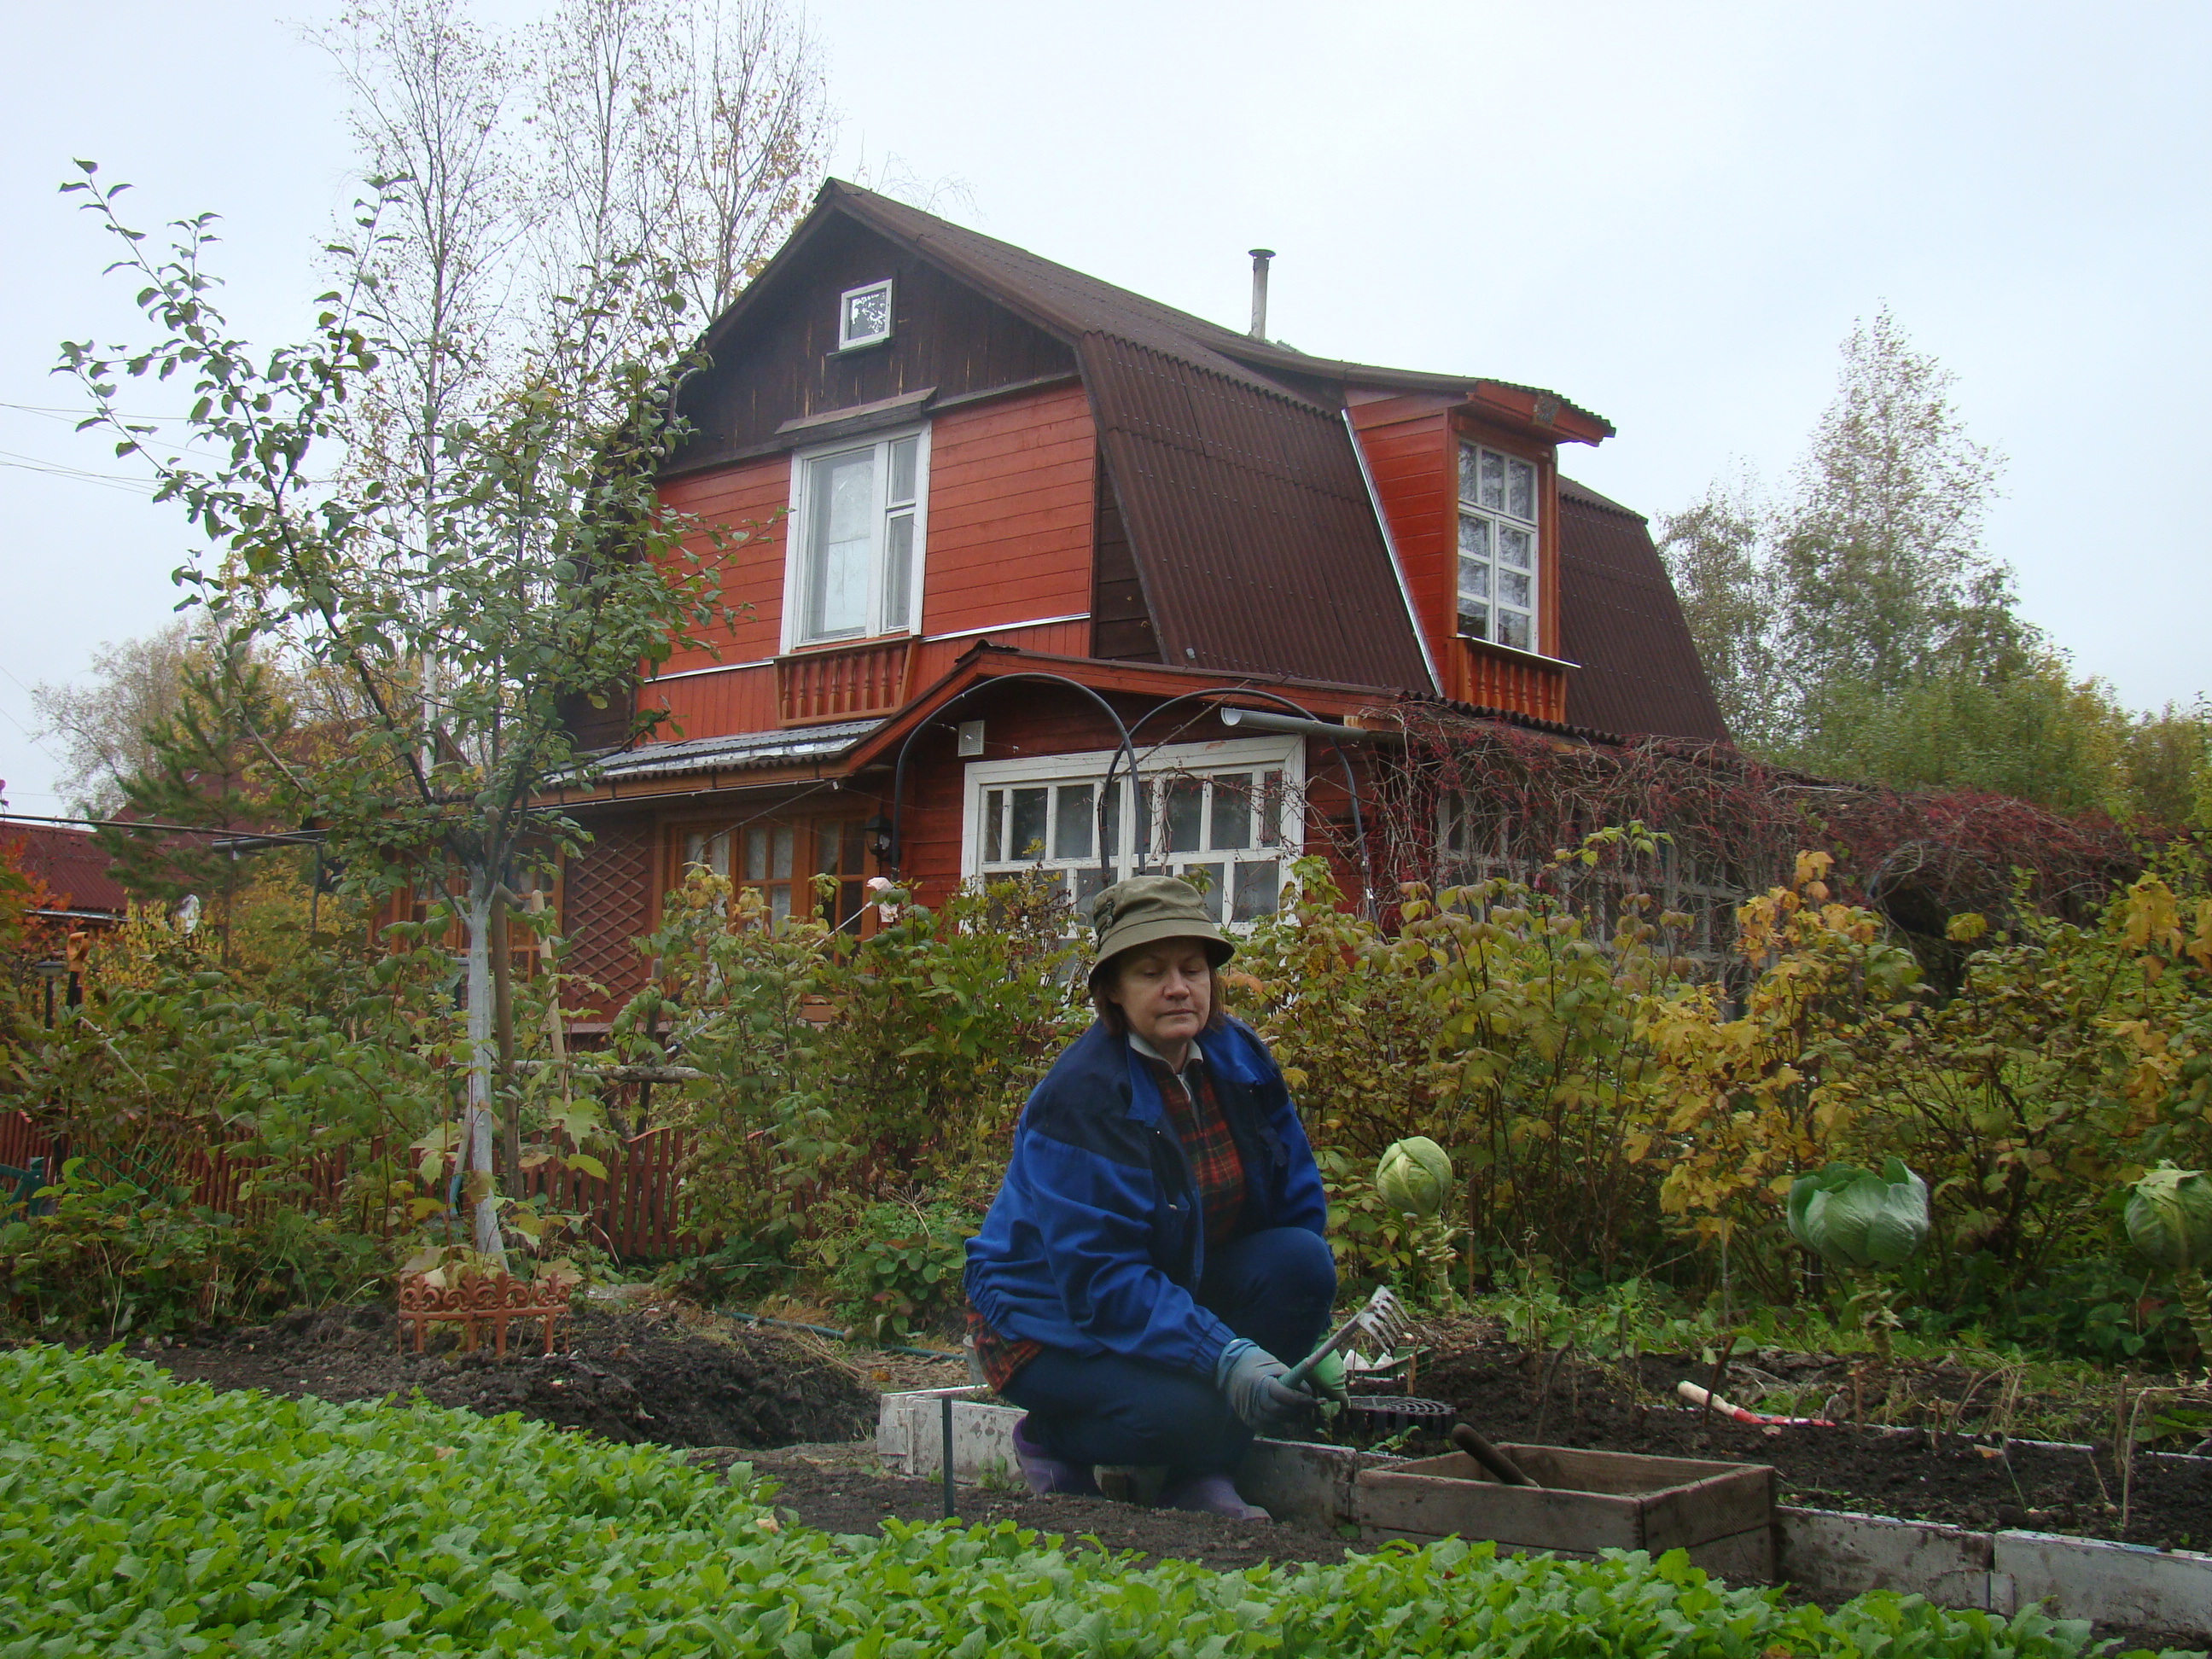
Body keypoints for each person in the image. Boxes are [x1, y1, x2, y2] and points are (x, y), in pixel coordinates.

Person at [963, 875, 1344, 1521]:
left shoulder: (1239, 1057)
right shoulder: (1082, 1098)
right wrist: (1222, 1355)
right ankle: (1050, 1436)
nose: (1178, 988)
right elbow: (1102, 1281)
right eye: (1151, 972)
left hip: (1169, 1283)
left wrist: (1308, 1336)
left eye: (1193, 969)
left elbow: (1293, 1199)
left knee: (1302, 1262)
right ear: (1112, 988)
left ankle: (1201, 1480)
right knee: (1185, 1410)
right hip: (1046, 1319)